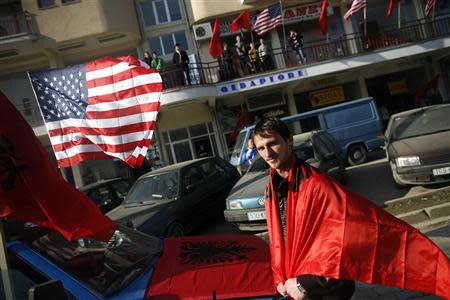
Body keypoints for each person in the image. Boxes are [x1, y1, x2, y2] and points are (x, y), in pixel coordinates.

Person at [252, 117, 356, 300]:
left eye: (273, 143)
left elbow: (343, 243)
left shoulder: (318, 185)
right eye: (261, 148)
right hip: (293, 287)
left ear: (289, 140)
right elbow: (279, 241)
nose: (267, 153)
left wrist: (304, 283)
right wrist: (279, 278)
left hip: (328, 291)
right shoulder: (271, 189)